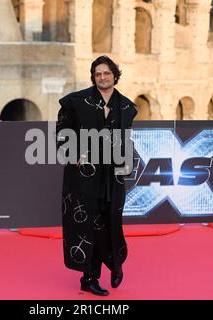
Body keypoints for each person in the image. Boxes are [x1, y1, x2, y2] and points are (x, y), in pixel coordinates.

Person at [56, 55, 137, 296]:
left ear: (115, 75)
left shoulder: (126, 106)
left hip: (112, 176)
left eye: (106, 73)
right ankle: (90, 278)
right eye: (98, 74)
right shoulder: (76, 101)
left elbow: (125, 140)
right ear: (93, 77)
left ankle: (114, 263)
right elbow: (62, 130)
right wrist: (71, 153)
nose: (102, 77)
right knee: (87, 225)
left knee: (109, 221)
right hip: (84, 176)